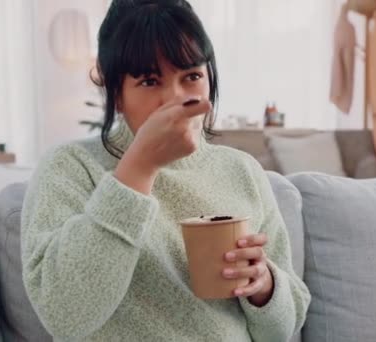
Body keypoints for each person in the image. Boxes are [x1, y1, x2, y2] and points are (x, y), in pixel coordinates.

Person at [21, 0, 311, 340]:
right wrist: (139, 168)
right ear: (115, 92)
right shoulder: (70, 168)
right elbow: (64, 314)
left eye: (192, 76)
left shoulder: (242, 170)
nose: (175, 98)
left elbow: (281, 331)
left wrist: (264, 285)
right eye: (149, 81)